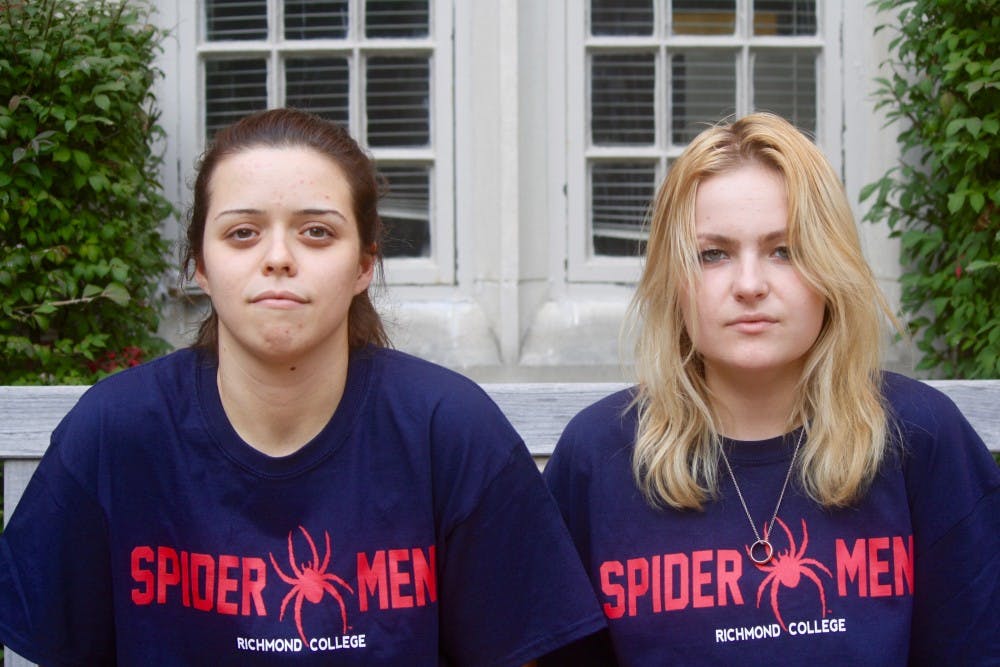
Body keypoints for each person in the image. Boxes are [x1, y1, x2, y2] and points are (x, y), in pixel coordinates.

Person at [0, 108, 605, 665]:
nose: (279, 257)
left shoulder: (448, 429)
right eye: (242, 233)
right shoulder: (115, 430)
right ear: (200, 268)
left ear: (364, 265)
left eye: (317, 232)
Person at [541, 113, 999, 666]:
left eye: (785, 250)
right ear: (672, 278)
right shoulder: (596, 457)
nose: (750, 285)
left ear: (832, 268)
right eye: (713, 254)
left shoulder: (921, 437)